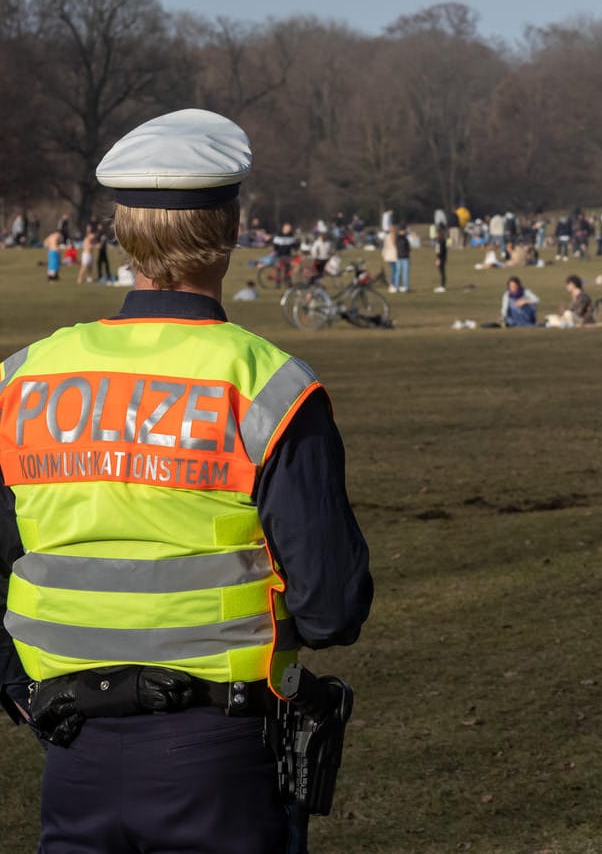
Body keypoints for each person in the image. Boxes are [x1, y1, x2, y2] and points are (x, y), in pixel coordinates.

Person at [0, 109, 371, 852]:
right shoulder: (265, 385)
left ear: (121, 232)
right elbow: (331, 608)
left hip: (70, 743)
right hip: (221, 750)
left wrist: (24, 689)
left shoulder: (24, 378)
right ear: (231, 231)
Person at [433, 222, 449, 292]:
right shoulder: (441, 241)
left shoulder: (440, 241)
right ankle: (442, 286)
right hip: (442, 258)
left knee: (442, 272)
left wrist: (438, 259)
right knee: (442, 272)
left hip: (441, 258)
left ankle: (442, 286)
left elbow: (440, 251)